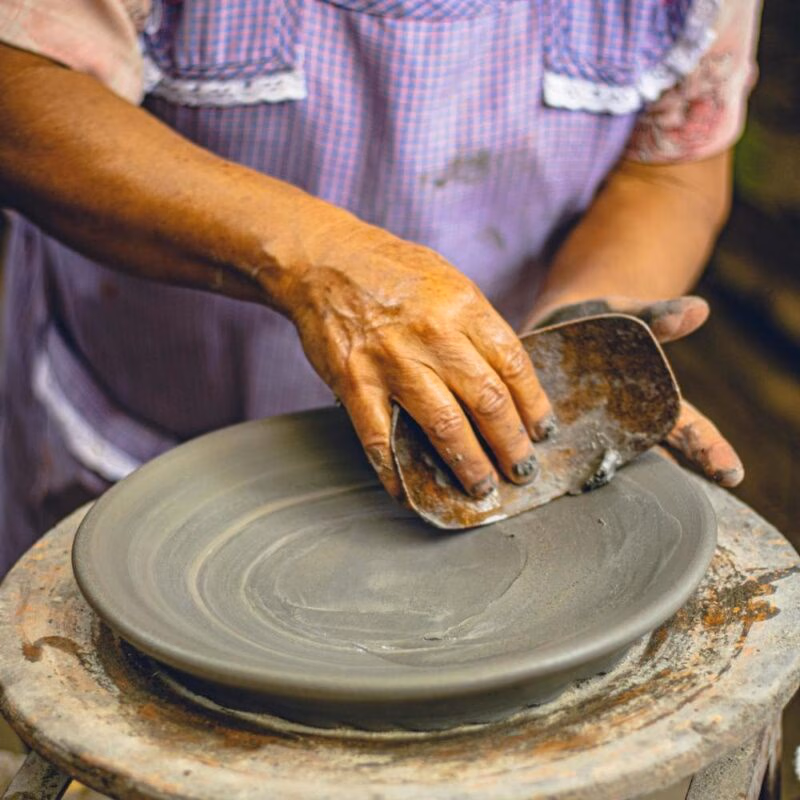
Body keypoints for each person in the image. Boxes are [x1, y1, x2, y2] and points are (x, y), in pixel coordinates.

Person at [0, 0, 761, 576]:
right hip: (157, 431)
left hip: (472, 441)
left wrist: (580, 323)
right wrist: (317, 262)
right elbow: (17, 87)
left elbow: (671, 162)